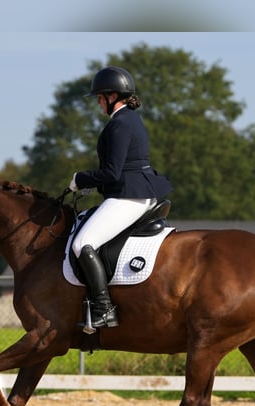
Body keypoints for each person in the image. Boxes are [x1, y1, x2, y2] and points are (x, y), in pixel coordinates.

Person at [68, 66, 172, 330]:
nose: (99, 102)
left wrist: (81, 179)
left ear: (113, 95)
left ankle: (104, 310)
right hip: (135, 191)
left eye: (101, 97)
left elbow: (111, 172)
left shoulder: (120, 124)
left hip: (130, 196)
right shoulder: (129, 119)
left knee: (82, 243)